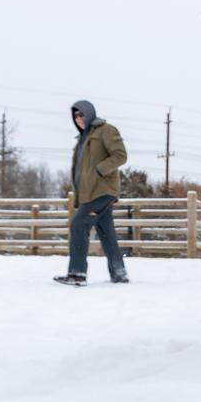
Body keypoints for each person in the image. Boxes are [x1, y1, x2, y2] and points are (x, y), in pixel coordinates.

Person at [54, 100, 130, 286]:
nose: (78, 119)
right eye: (75, 116)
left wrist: (100, 170)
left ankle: (77, 274)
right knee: (107, 233)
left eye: (81, 114)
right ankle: (119, 273)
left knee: (78, 226)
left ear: (90, 113)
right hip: (90, 193)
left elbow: (120, 155)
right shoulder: (83, 138)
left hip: (102, 191)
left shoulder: (106, 130)